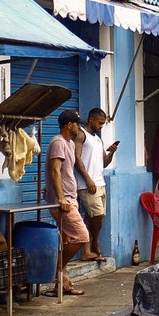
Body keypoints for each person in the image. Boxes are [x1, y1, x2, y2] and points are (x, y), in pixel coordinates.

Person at [46, 109, 90, 296]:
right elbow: (55, 171)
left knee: (67, 241)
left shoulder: (69, 143)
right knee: (81, 236)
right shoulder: (58, 142)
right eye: (77, 124)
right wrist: (60, 197)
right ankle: (58, 269)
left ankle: (62, 284)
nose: (79, 128)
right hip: (62, 202)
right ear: (69, 125)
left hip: (70, 198)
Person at [74, 108, 118, 263]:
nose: (101, 126)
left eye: (103, 123)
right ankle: (95, 242)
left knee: (93, 217)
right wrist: (88, 179)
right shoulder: (81, 135)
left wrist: (111, 152)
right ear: (91, 119)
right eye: (99, 123)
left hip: (100, 183)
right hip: (87, 185)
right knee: (97, 215)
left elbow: (104, 163)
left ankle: (87, 250)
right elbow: (77, 158)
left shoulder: (98, 140)